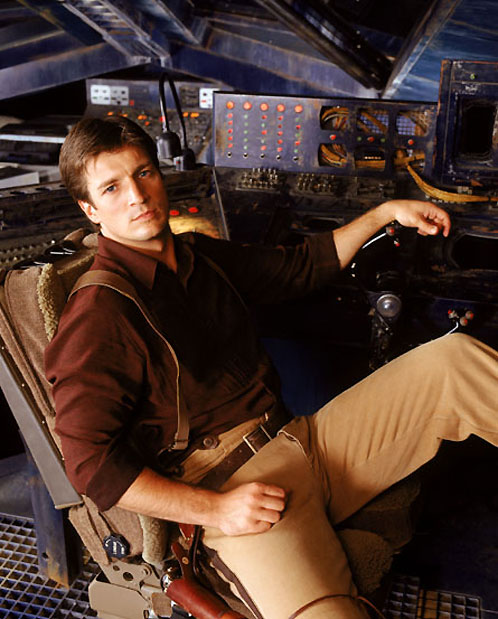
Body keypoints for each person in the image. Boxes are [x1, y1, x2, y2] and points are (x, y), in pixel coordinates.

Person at [45, 116, 498, 619]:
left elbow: (297, 267)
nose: (137, 196)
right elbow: (90, 464)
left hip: (303, 441)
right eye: (112, 187)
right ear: (90, 209)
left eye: (143, 173)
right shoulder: (98, 314)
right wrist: (218, 509)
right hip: (231, 489)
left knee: (453, 361)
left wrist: (384, 213)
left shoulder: (196, 255)